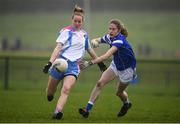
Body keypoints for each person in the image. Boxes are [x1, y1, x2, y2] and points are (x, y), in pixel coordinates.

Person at [42, 5, 106, 120]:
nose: (77, 23)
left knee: (66, 89)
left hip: (74, 66)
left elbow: (89, 49)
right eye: (75, 21)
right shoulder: (65, 31)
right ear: (72, 20)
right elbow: (58, 48)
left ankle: (57, 112)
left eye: (79, 21)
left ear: (82, 22)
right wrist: (49, 63)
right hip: (60, 62)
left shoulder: (84, 34)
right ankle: (50, 94)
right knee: (50, 93)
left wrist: (99, 62)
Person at [78, 19, 137, 118]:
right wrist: (94, 41)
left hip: (127, 70)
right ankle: (86, 109)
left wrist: (89, 63)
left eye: (113, 29)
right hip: (116, 65)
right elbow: (98, 39)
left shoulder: (119, 40)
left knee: (119, 92)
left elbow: (106, 56)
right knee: (99, 83)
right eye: (110, 29)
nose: (111, 31)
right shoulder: (109, 37)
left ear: (118, 30)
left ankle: (127, 103)